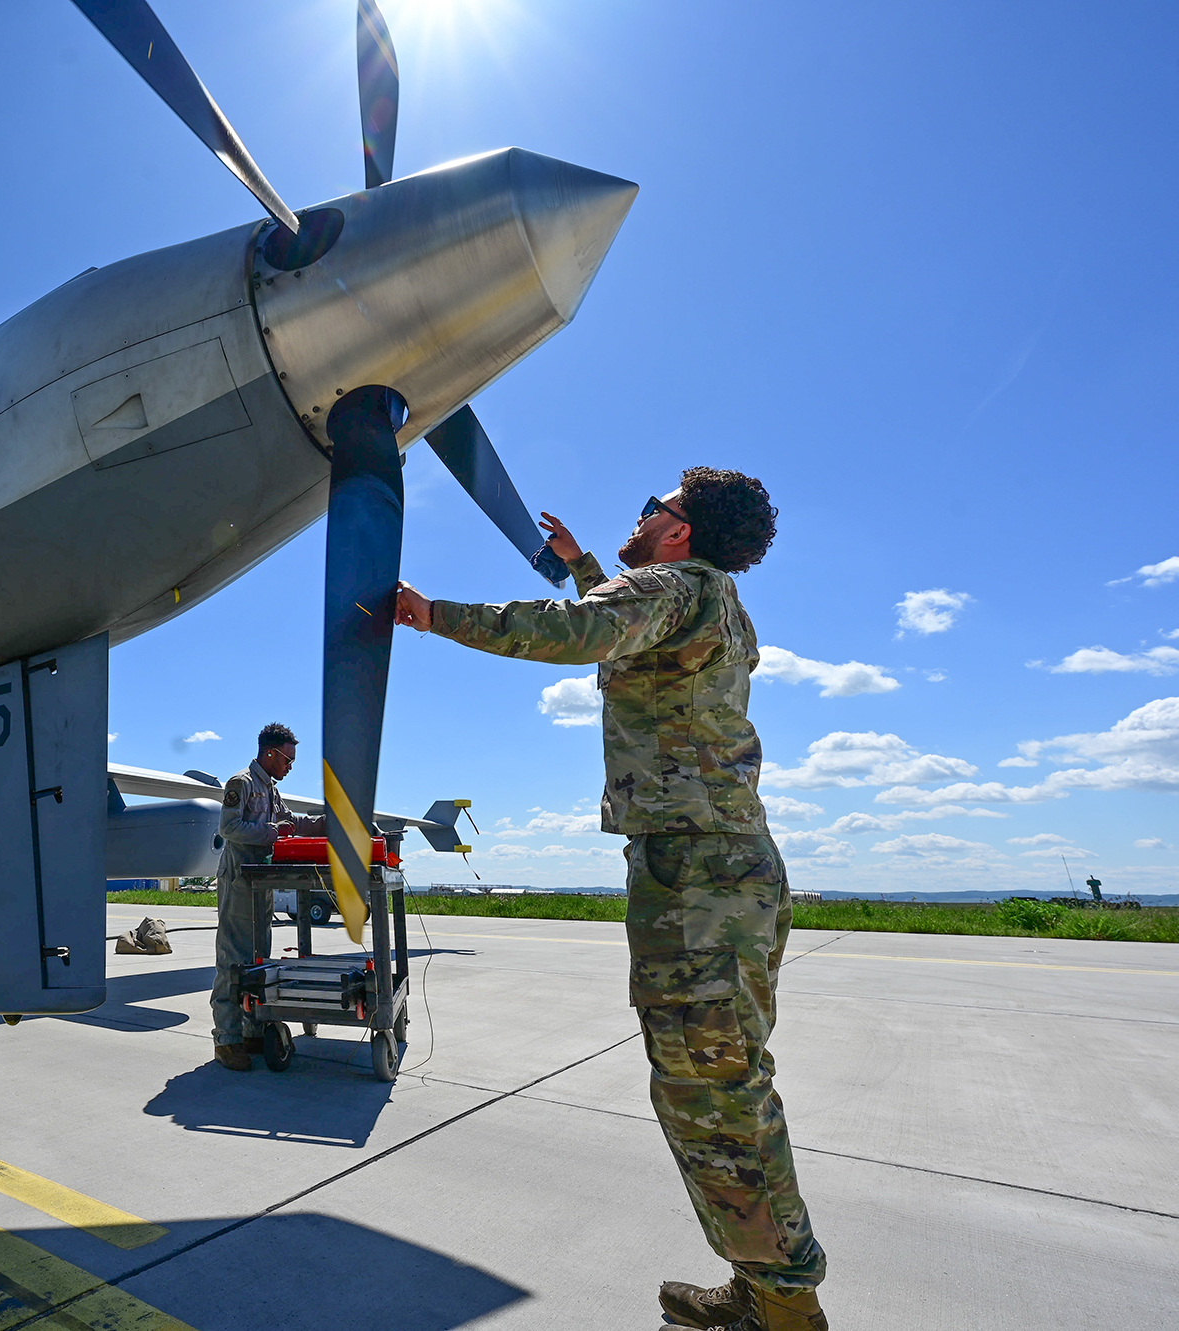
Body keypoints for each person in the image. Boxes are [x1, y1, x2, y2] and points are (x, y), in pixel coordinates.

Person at [394, 469, 827, 1331]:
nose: (641, 513)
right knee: (723, 1084)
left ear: (678, 531)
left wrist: (429, 612)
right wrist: (584, 559)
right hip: (726, 868)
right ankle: (761, 1282)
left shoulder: (668, 586)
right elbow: (624, 614)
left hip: (694, 877)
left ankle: (782, 1304)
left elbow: (586, 629)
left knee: (711, 1094)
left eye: (653, 506)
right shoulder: (717, 599)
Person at [212, 722, 325, 1071]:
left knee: (258, 957)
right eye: (288, 759)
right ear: (270, 753)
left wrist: (327, 822)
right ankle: (227, 1040)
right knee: (234, 958)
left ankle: (251, 1031)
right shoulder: (242, 783)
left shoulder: (271, 790)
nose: (290, 766)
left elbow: (292, 822)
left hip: (260, 881)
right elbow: (228, 828)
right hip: (239, 878)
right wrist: (271, 832)